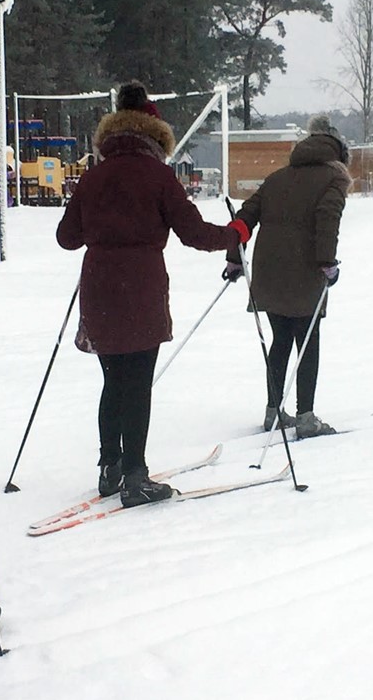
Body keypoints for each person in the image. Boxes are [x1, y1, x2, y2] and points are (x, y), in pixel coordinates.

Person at [56, 82, 246, 506]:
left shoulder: (93, 176)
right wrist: (234, 234)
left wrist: (100, 227)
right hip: (141, 287)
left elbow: (66, 238)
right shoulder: (158, 175)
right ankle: (135, 476)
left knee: (113, 380)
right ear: (156, 134)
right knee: (138, 384)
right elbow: (194, 233)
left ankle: (110, 466)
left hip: (99, 287)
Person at [224, 114, 350, 437]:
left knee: (280, 339)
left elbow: (245, 216)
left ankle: (273, 412)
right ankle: (306, 417)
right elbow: (327, 218)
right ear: (337, 151)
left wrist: (234, 259)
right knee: (308, 342)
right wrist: (327, 263)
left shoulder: (278, 177)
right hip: (305, 272)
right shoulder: (334, 178)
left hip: (269, 271)